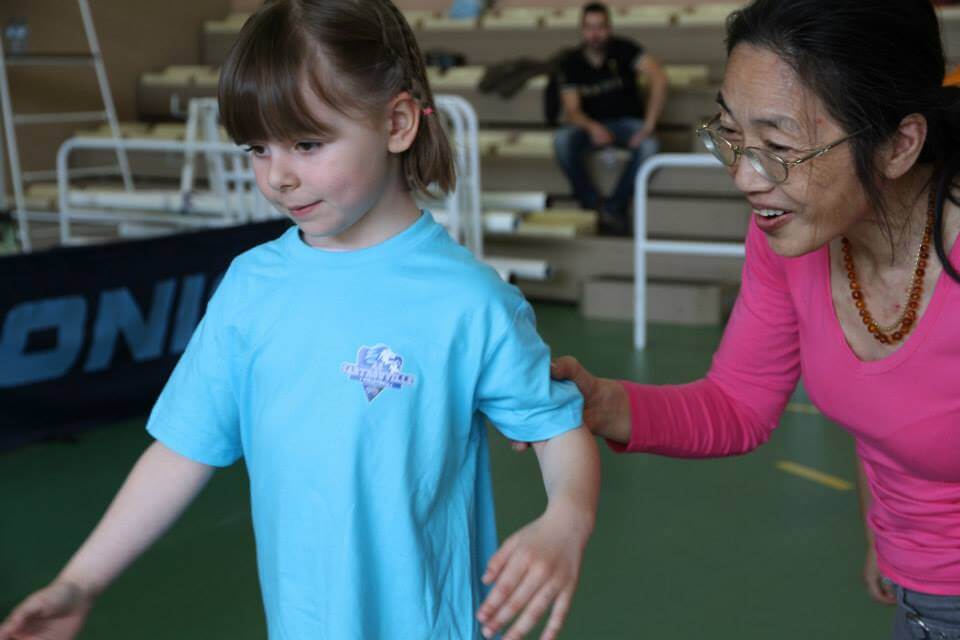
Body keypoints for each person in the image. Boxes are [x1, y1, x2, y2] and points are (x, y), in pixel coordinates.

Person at [0, 1, 600, 639]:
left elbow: (557, 430)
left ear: (397, 122)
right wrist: (79, 581)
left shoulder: (469, 301)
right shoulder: (251, 288)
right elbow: (181, 449)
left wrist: (566, 519)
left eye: (307, 143)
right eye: (258, 147)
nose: (279, 176)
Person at [544, 0, 960, 637]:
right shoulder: (788, 235)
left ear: (899, 145)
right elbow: (738, 403)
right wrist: (602, 403)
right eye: (732, 134)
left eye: (779, 146)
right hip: (916, 585)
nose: (744, 175)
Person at [553, 1, 667, 235]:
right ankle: (591, 202)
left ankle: (614, 207)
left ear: (609, 28)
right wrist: (592, 127)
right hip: (591, 126)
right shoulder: (571, 62)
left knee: (650, 145)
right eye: (589, 28)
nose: (595, 34)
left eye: (600, 27)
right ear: (582, 30)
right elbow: (572, 110)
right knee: (561, 140)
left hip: (628, 123)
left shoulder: (624, 49)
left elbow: (659, 77)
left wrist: (649, 125)